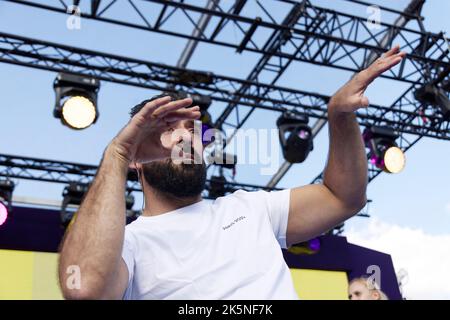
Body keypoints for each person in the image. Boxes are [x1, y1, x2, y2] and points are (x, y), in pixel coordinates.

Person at [58, 46, 406, 299]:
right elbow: (83, 287)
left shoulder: (249, 209)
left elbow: (342, 197)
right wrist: (116, 154)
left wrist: (339, 116)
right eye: (167, 128)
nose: (184, 137)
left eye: (193, 130)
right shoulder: (129, 243)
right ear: (136, 153)